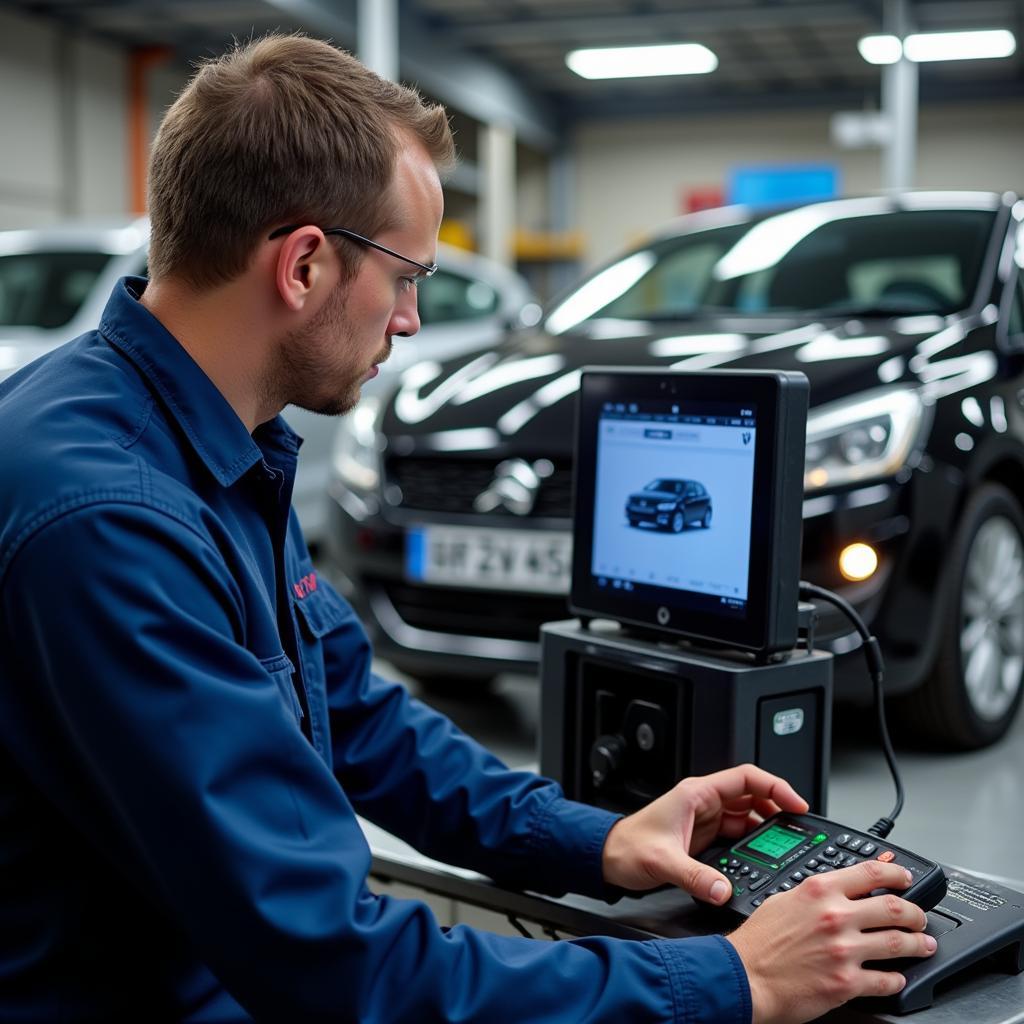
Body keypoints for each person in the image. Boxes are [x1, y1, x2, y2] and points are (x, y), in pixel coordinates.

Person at [0, 34, 935, 1023]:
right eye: (406, 277)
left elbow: (355, 718)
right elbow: (338, 968)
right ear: (306, 264)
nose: (409, 321)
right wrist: (736, 980)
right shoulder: (110, 523)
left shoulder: (208, 439)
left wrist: (598, 839)